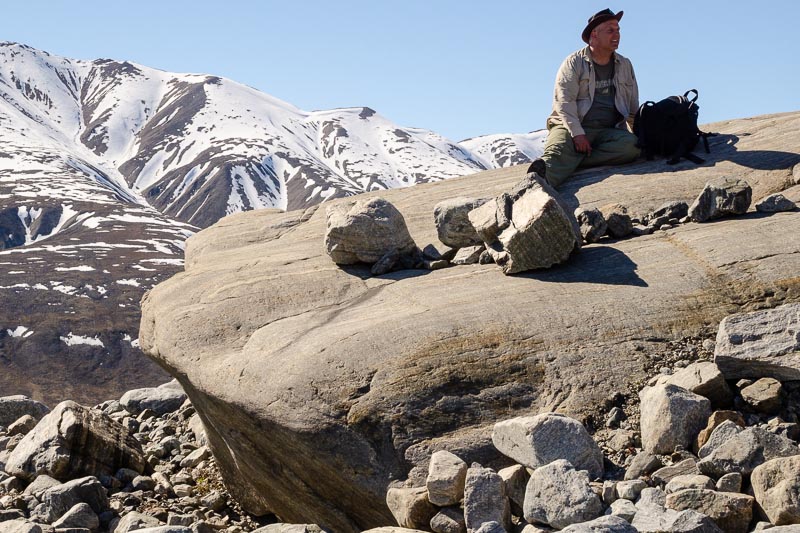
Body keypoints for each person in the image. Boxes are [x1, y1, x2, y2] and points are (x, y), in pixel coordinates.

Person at [529, 8, 640, 187]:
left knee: (632, 147)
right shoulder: (574, 63)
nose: (616, 34)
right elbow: (564, 103)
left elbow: (633, 106)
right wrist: (578, 134)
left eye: (618, 30)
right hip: (570, 126)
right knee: (557, 151)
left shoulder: (625, 64)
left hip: (607, 131)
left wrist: (641, 135)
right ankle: (538, 183)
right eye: (610, 30)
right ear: (594, 35)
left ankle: (570, 162)